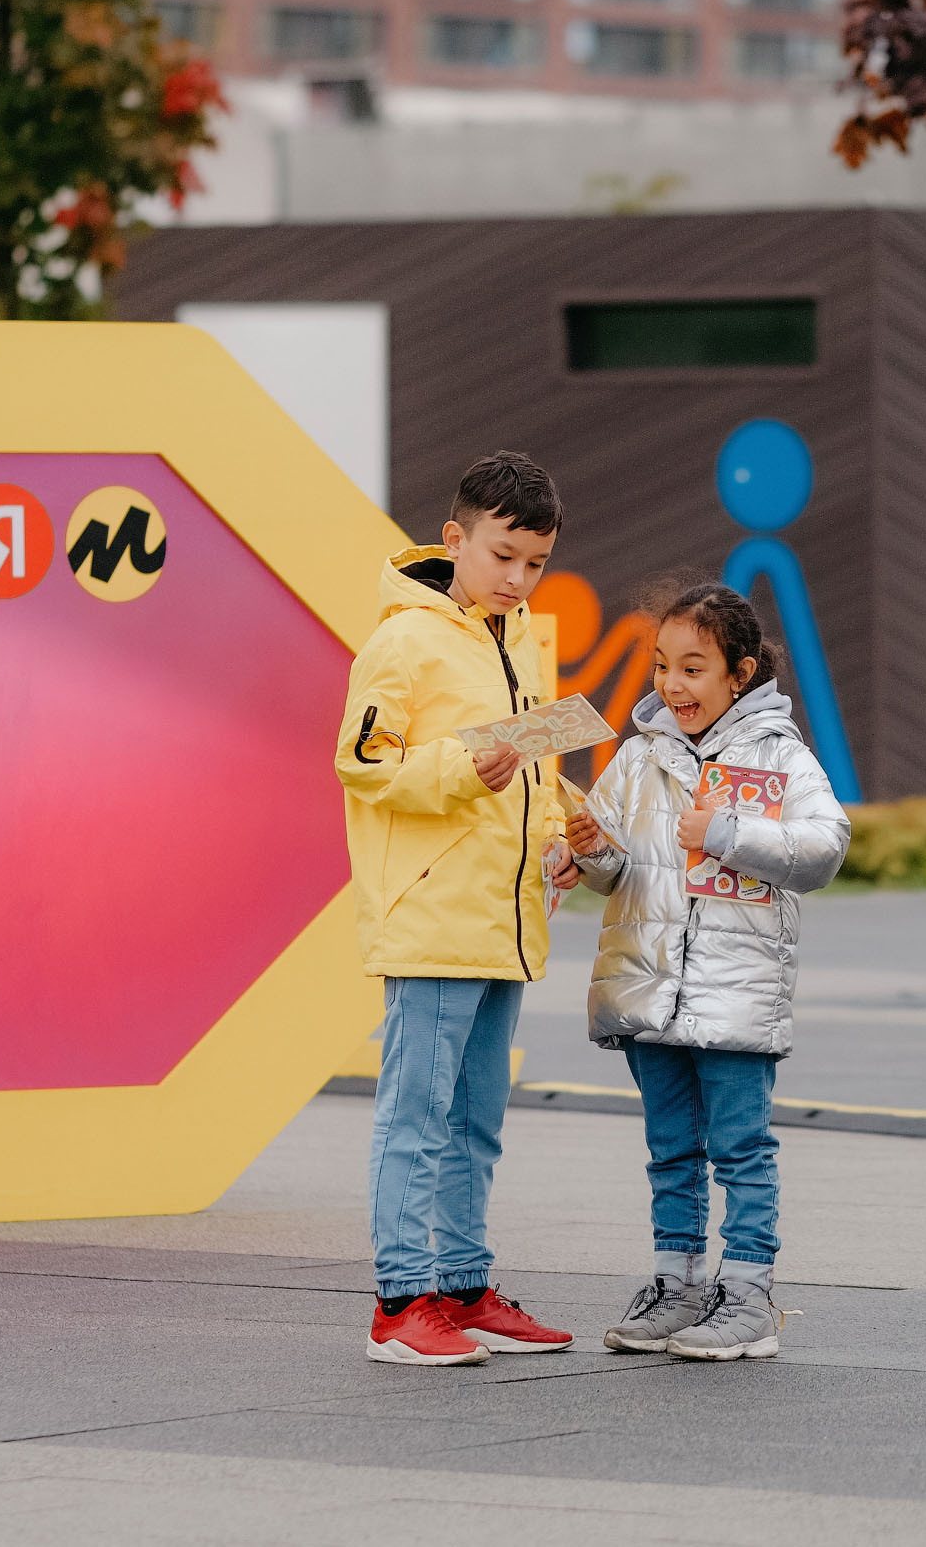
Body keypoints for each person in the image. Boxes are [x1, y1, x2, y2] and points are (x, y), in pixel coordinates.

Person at [335, 451, 583, 1366]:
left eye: (535, 563)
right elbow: (360, 765)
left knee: (475, 1116)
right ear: (456, 538)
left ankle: (464, 1289)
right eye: (503, 555)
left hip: (505, 917)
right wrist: (454, 769)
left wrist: (558, 830)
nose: (518, 578)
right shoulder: (400, 640)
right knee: (417, 1113)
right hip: (433, 915)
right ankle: (401, 1302)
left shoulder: (524, 635)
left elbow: (536, 757)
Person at [564, 583, 848, 1362]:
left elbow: (825, 847)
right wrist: (588, 844)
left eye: (693, 667)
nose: (672, 685)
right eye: (661, 666)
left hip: (735, 998)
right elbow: (612, 868)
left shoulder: (781, 755)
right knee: (670, 1147)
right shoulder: (636, 756)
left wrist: (727, 830)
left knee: (742, 1147)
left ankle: (748, 1294)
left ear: (740, 672)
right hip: (651, 991)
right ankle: (677, 1282)